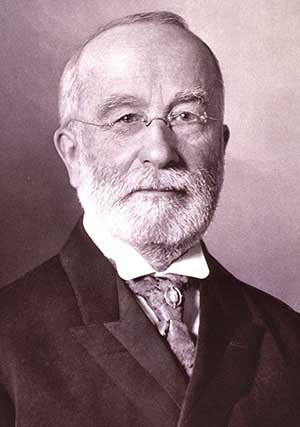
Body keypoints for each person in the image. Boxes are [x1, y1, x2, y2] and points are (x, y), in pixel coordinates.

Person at [0, 11, 299, 427]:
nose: (160, 151)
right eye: (126, 119)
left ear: (220, 147)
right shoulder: (6, 337)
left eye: (187, 116)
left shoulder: (291, 339)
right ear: (73, 154)